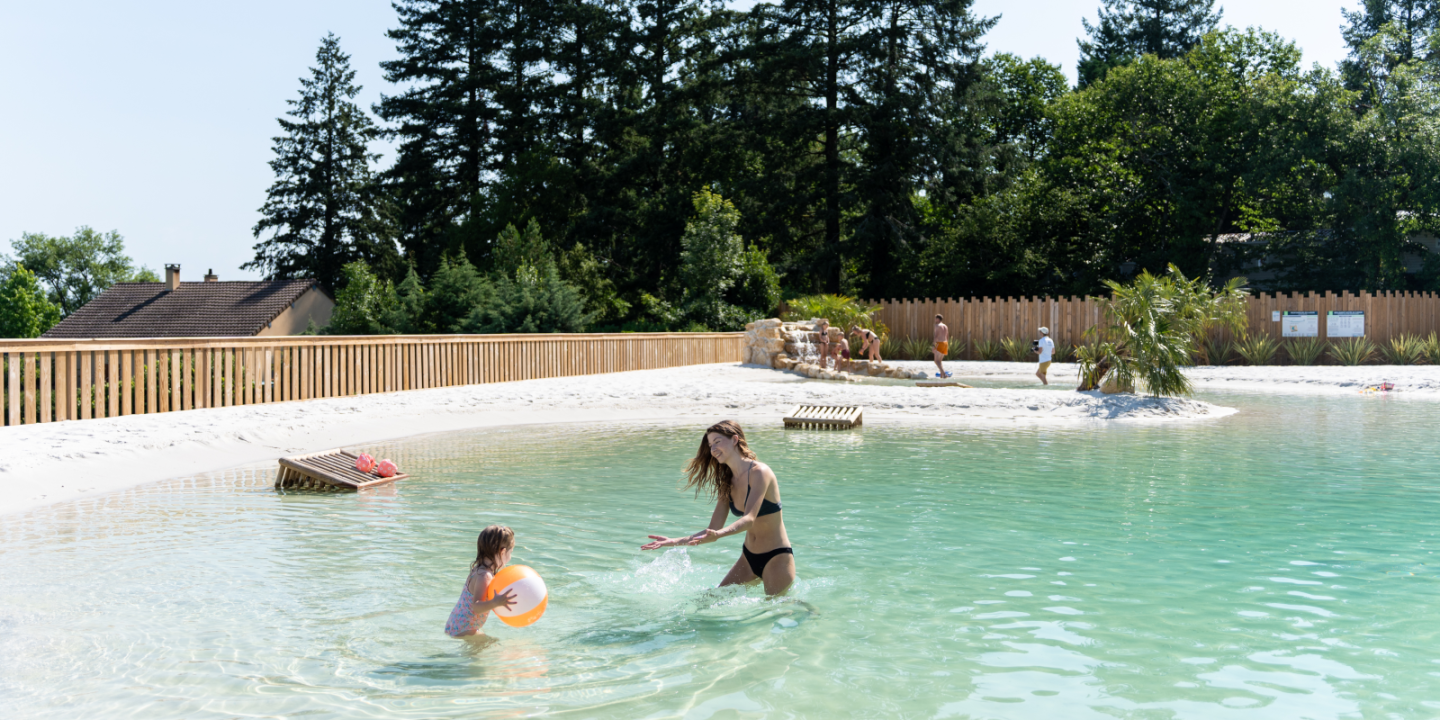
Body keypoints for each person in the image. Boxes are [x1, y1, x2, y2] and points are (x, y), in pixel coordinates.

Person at [641, 420, 795, 595]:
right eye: (710, 445)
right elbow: (712, 530)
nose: (713, 449)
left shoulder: (760, 472)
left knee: (778, 611)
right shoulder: (727, 482)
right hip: (748, 558)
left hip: (776, 557)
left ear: (735, 439)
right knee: (709, 600)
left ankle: (809, 611)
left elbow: (749, 520)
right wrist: (673, 541)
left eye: (717, 442)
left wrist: (720, 534)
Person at [444, 525, 519, 638]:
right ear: (502, 552)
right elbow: (476, 606)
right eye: (510, 552)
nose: (510, 557)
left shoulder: (479, 569)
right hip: (465, 629)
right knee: (494, 647)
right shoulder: (485, 576)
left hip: (457, 624)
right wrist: (495, 602)